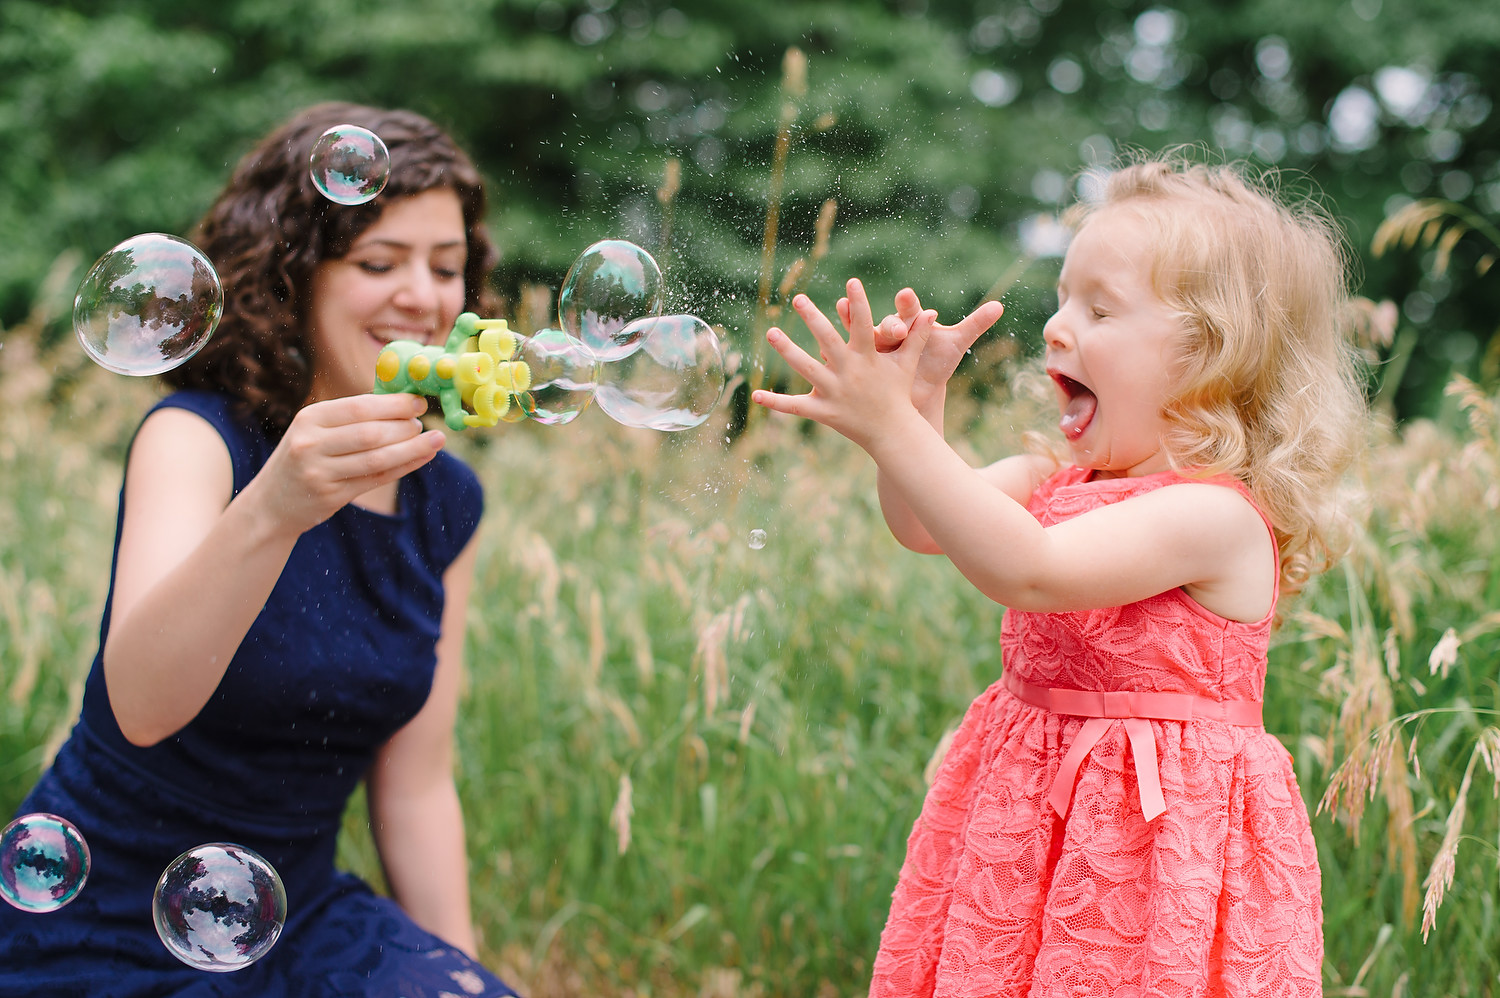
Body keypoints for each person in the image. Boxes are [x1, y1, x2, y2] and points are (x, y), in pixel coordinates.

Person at [753, 158, 1365, 996]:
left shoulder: (1215, 516)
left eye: (1101, 309)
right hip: (1027, 818)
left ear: (1210, 352)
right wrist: (919, 411)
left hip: (1147, 851)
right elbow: (927, 524)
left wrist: (894, 428)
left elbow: (1030, 571)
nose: (1057, 326)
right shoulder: (1049, 480)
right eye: (1064, 297)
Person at [0, 102, 519, 997]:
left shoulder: (447, 496)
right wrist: (276, 506)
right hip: (111, 917)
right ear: (297, 276)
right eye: (379, 262)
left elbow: (416, 787)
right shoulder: (196, 440)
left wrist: (464, 975)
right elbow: (142, 706)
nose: (425, 298)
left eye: (447, 266)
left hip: (300, 915)